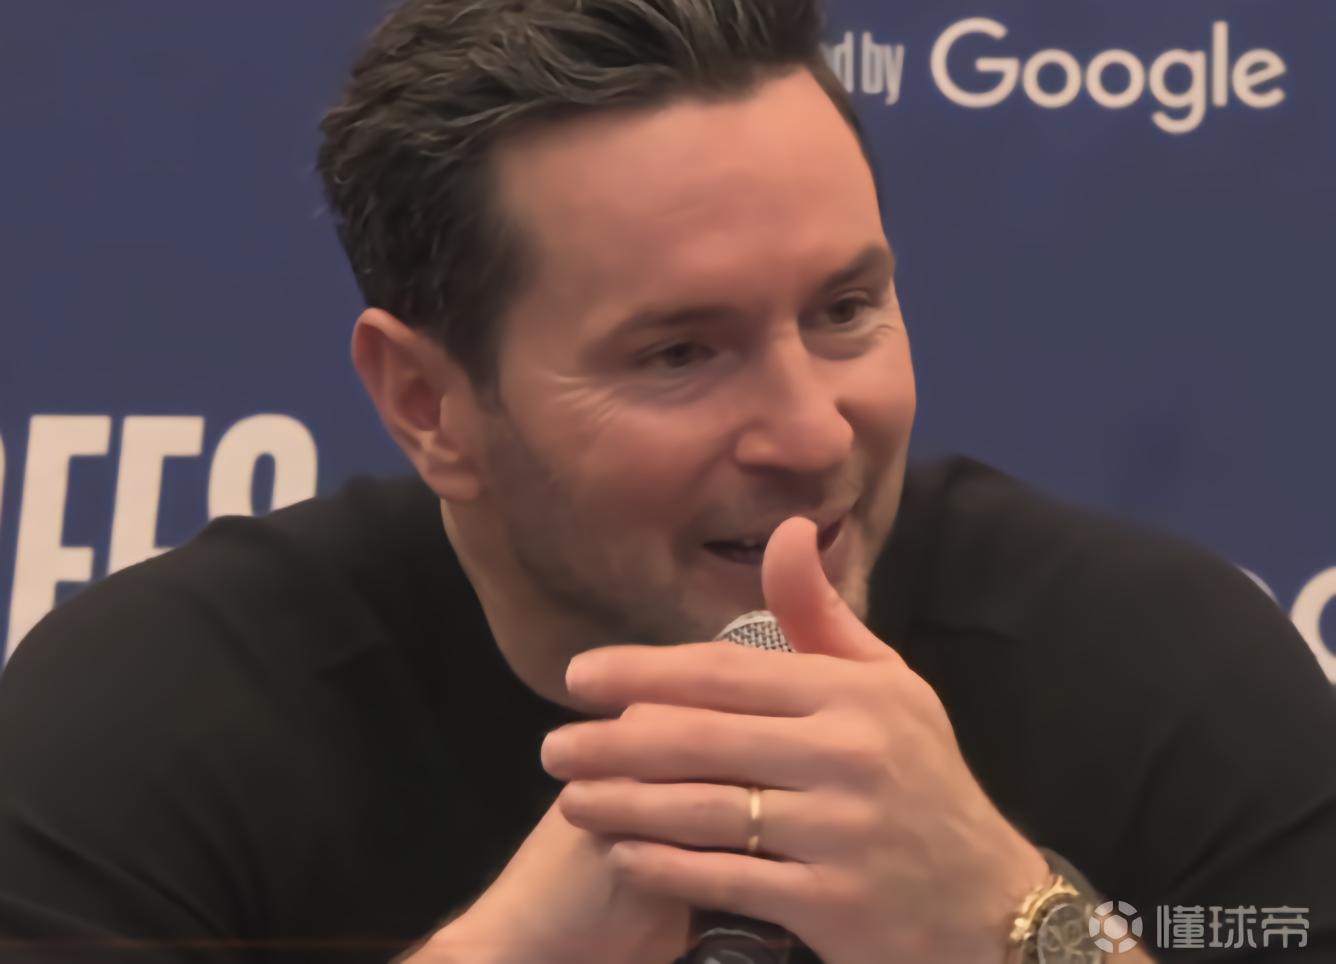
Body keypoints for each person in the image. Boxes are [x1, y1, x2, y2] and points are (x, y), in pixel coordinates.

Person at [1, 1, 1332, 961]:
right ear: (427, 404)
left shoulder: (1164, 673)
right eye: (680, 354)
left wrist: (1018, 924)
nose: (811, 432)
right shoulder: (150, 725)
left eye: (845, 310)